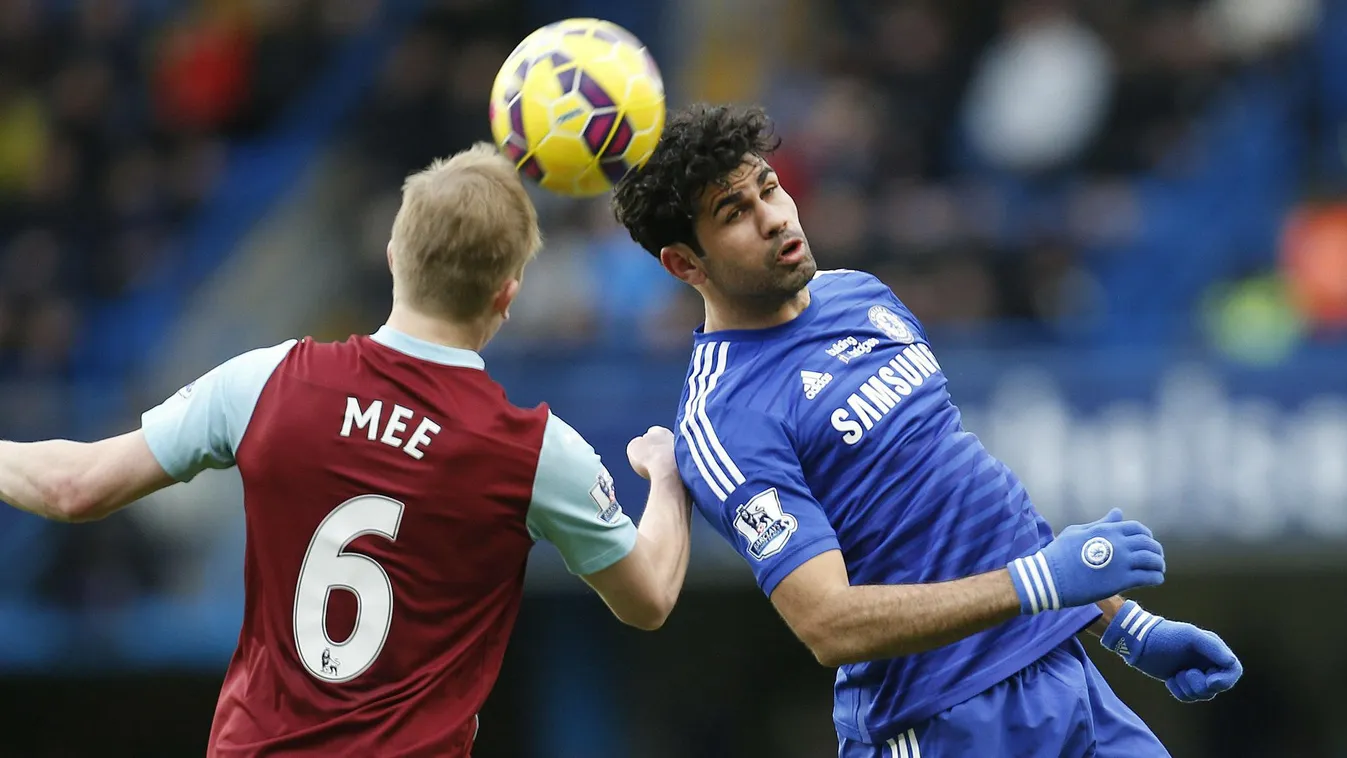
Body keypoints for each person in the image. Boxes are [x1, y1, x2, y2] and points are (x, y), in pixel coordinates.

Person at [0, 143, 694, 757]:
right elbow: (649, 599)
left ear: (393, 256)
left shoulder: (265, 382)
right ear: (506, 295)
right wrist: (665, 474)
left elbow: (74, 486)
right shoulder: (536, 451)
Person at [612, 104, 1242, 757]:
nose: (773, 217)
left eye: (768, 188)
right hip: (937, 723)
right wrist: (1038, 583)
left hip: (1062, 680)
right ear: (684, 263)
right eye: (733, 213)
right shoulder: (724, 419)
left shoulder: (860, 296)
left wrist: (1125, 626)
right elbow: (827, 623)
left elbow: (968, 500)